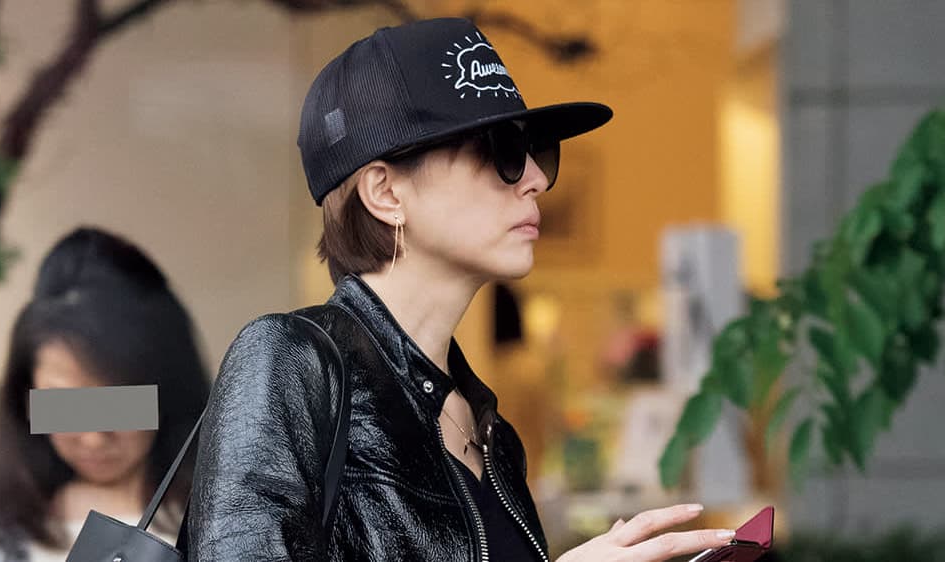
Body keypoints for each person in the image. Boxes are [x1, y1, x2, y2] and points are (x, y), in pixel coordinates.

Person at [185, 17, 736, 562]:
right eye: (501, 150)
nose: (535, 179)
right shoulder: (287, 362)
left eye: (537, 151)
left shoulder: (495, 436)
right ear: (385, 192)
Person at [0, 227, 211, 562]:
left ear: (168, 391)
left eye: (120, 404)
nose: (94, 438)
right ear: (25, 399)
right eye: (67, 407)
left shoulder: (221, 518)